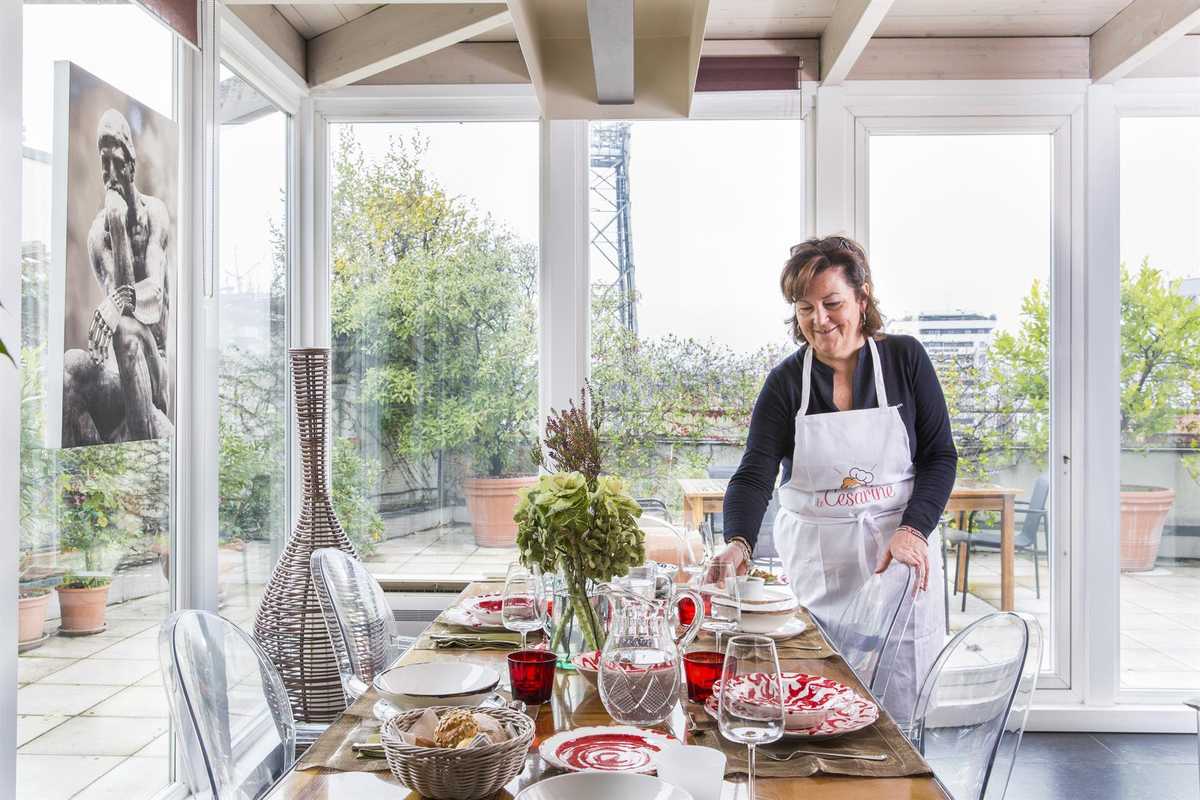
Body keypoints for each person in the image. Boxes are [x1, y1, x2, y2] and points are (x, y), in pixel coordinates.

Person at [712, 235, 956, 720]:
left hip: (897, 565)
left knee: (898, 713)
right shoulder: (785, 383)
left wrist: (913, 531)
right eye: (805, 308)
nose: (819, 320)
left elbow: (940, 457)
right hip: (820, 573)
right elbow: (754, 474)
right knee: (814, 705)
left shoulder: (905, 360)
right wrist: (737, 541)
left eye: (832, 303)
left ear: (862, 299)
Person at [62, 108, 172, 446]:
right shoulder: (99, 234)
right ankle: (98, 466)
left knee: (126, 330)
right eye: (103, 164)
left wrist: (122, 299)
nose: (110, 173)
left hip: (153, 365)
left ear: (131, 162)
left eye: (116, 162)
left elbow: (152, 296)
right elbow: (118, 301)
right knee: (70, 366)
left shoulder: (155, 213)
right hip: (116, 368)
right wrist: (115, 224)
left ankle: (141, 445)